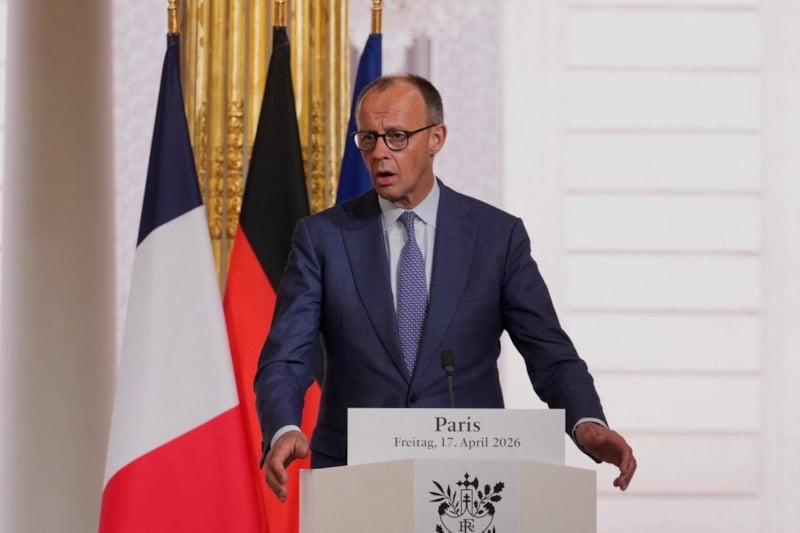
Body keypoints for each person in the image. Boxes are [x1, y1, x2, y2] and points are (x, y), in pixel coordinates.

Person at [255, 74, 637, 502]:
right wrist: (284, 427)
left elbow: (549, 351)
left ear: (436, 138)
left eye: (397, 137)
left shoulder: (496, 237)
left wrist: (586, 421)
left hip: (469, 483)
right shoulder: (323, 238)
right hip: (354, 475)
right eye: (368, 138)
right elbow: (285, 356)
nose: (379, 153)